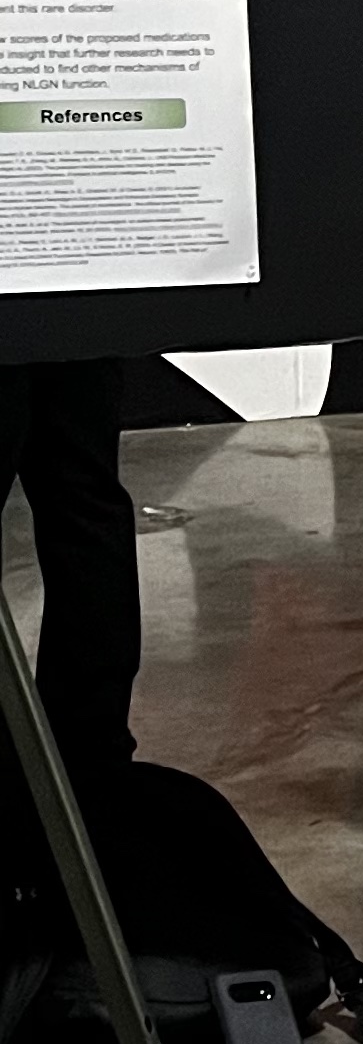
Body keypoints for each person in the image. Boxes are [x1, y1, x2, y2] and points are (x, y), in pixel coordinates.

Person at [0, 359, 144, 841]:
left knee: (85, 500)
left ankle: (91, 757)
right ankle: (93, 758)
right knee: (84, 496)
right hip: (71, 316)